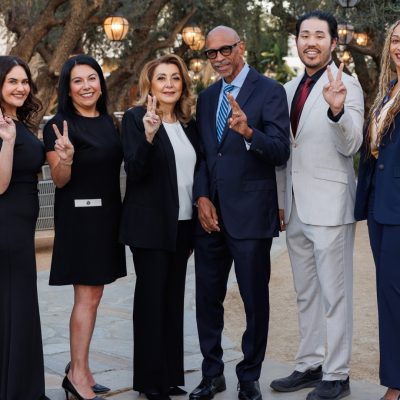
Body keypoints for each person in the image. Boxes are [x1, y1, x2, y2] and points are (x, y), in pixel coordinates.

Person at [190, 26, 290, 400]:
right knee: (206, 300)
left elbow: (280, 150)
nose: (218, 58)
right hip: (210, 219)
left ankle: (249, 376)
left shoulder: (270, 91)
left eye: (225, 50)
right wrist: (201, 197)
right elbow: (204, 155)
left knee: (254, 301)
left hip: (251, 216)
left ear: (241, 47)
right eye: (211, 53)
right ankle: (211, 374)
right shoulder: (206, 98)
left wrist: (249, 133)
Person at [272, 10, 364, 400]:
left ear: (332, 42)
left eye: (319, 35)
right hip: (295, 207)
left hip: (330, 207)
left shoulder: (348, 85)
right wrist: (281, 201)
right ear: (296, 41)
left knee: (334, 294)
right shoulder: (286, 89)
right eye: (304, 35)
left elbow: (352, 144)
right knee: (306, 292)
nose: (311, 42)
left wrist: (337, 111)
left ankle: (337, 373)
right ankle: (309, 363)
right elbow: (285, 151)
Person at [43, 54, 126, 400]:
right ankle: (76, 375)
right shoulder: (58, 126)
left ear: (101, 84)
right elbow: (60, 180)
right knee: (87, 296)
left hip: (107, 218)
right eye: (77, 81)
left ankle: (83, 369)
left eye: (92, 78)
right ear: (68, 88)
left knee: (95, 294)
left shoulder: (109, 122)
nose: (86, 86)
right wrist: (66, 159)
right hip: (80, 221)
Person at [119, 54, 199, 400]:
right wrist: (149, 136)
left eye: (175, 78)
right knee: (151, 303)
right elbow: (135, 171)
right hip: (150, 226)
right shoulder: (136, 119)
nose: (169, 84)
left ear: (183, 85)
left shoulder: (188, 123)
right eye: (162, 78)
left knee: (173, 300)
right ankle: (149, 383)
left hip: (182, 225)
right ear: (149, 85)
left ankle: (168, 376)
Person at [354, 20, 400, 400]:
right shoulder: (389, 90)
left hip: (398, 209)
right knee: (388, 294)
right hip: (379, 206)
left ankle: (396, 384)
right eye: (396, 40)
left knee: (394, 295)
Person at [0, 56, 50, 400]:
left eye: (24, 81)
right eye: (12, 81)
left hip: (20, 225)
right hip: (6, 225)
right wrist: (6, 141)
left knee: (19, 304)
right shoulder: (3, 125)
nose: (21, 88)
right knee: (16, 305)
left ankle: (20, 387)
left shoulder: (17, 119)